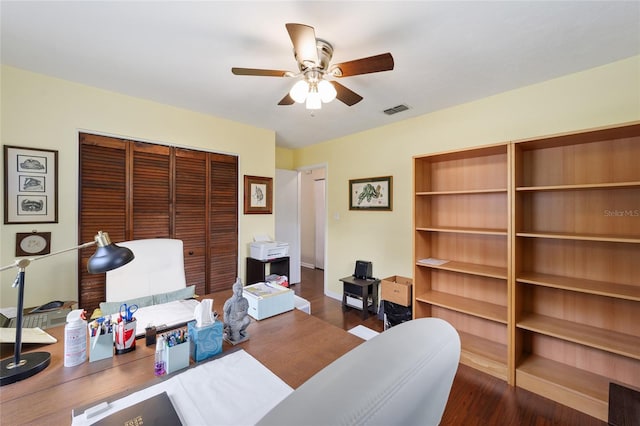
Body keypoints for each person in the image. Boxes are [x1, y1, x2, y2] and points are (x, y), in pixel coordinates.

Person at [223, 277, 251, 343]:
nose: (240, 291)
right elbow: (225, 314)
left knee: (247, 320)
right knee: (236, 339)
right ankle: (232, 333)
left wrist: (241, 314)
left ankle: (241, 330)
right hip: (233, 323)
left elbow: (246, 311)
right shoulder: (229, 302)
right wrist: (227, 325)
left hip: (241, 320)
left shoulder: (244, 300)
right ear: (234, 290)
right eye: (238, 289)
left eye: (241, 289)